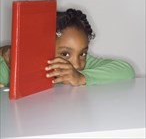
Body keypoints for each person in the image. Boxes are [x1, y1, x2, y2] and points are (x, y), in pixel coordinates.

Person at [0, 8, 135, 88]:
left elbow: (126, 70)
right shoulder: (6, 66)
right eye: (65, 54)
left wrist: (81, 78)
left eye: (83, 53)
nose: (76, 65)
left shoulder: (81, 67)